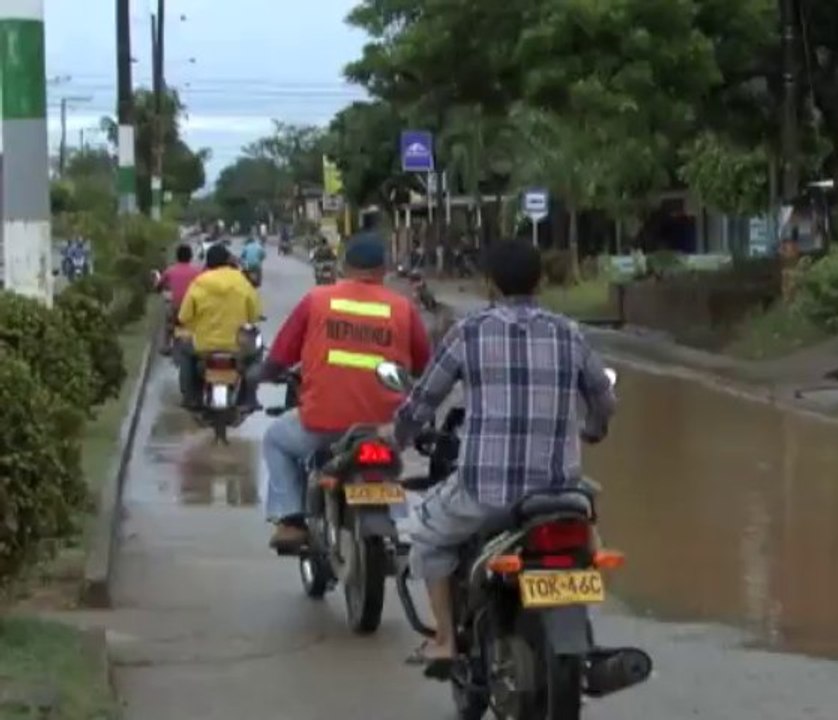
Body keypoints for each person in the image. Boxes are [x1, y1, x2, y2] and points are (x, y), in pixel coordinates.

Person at [391, 238, 616, 673]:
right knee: (588, 529)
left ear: (490, 283)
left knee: (428, 537)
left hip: (485, 494)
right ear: (540, 281)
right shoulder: (568, 333)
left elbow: (423, 400)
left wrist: (400, 438)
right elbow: (603, 399)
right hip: (559, 492)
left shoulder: (469, 332)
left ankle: (444, 640)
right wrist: (593, 430)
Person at [260, 232, 431, 548]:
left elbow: (280, 356)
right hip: (386, 426)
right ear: (384, 269)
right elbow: (425, 365)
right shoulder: (402, 308)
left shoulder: (317, 300)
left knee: (275, 440)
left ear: (343, 266)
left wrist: (261, 375)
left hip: (323, 423)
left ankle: (291, 520)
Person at [177, 243, 263, 409]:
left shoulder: (198, 282)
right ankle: (250, 398)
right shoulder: (242, 281)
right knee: (257, 354)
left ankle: (190, 396)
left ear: (208, 263)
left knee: (185, 353)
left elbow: (184, 317)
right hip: (238, 346)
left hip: (204, 346)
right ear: (227, 261)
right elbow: (254, 316)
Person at [156, 244, 202, 354]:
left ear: (177, 257)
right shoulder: (197, 272)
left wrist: (159, 289)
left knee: (168, 323)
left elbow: (159, 286)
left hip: (176, 307)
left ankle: (166, 345)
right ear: (190, 257)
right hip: (193, 308)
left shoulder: (170, 271)